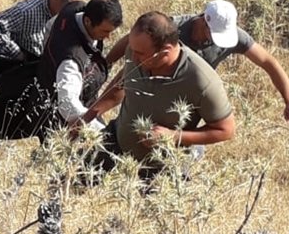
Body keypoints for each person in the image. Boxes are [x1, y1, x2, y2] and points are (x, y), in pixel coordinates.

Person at [104, 0, 289, 123]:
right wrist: (106, 63)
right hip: (152, 82)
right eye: (212, 32)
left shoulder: (235, 37)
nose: (213, 39)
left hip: (188, 97)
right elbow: (131, 43)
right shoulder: (173, 28)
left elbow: (268, 61)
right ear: (203, 19)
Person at [88, 12, 235, 172]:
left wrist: (173, 136)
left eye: (140, 54)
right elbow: (121, 86)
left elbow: (225, 130)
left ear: (165, 52)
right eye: (132, 49)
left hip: (162, 168)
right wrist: (86, 117)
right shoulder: (136, 50)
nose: (133, 56)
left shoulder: (202, 80)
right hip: (116, 145)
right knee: (72, 177)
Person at [38, 0, 123, 135]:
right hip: (59, 114)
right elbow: (68, 105)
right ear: (88, 21)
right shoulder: (70, 61)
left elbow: (49, 27)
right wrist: (100, 132)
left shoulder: (74, 9)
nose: (108, 37)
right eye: (105, 31)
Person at [0, 0, 84, 61]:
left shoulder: (70, 15)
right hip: (26, 68)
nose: (73, 9)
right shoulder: (26, 12)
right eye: (69, 5)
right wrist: (18, 54)